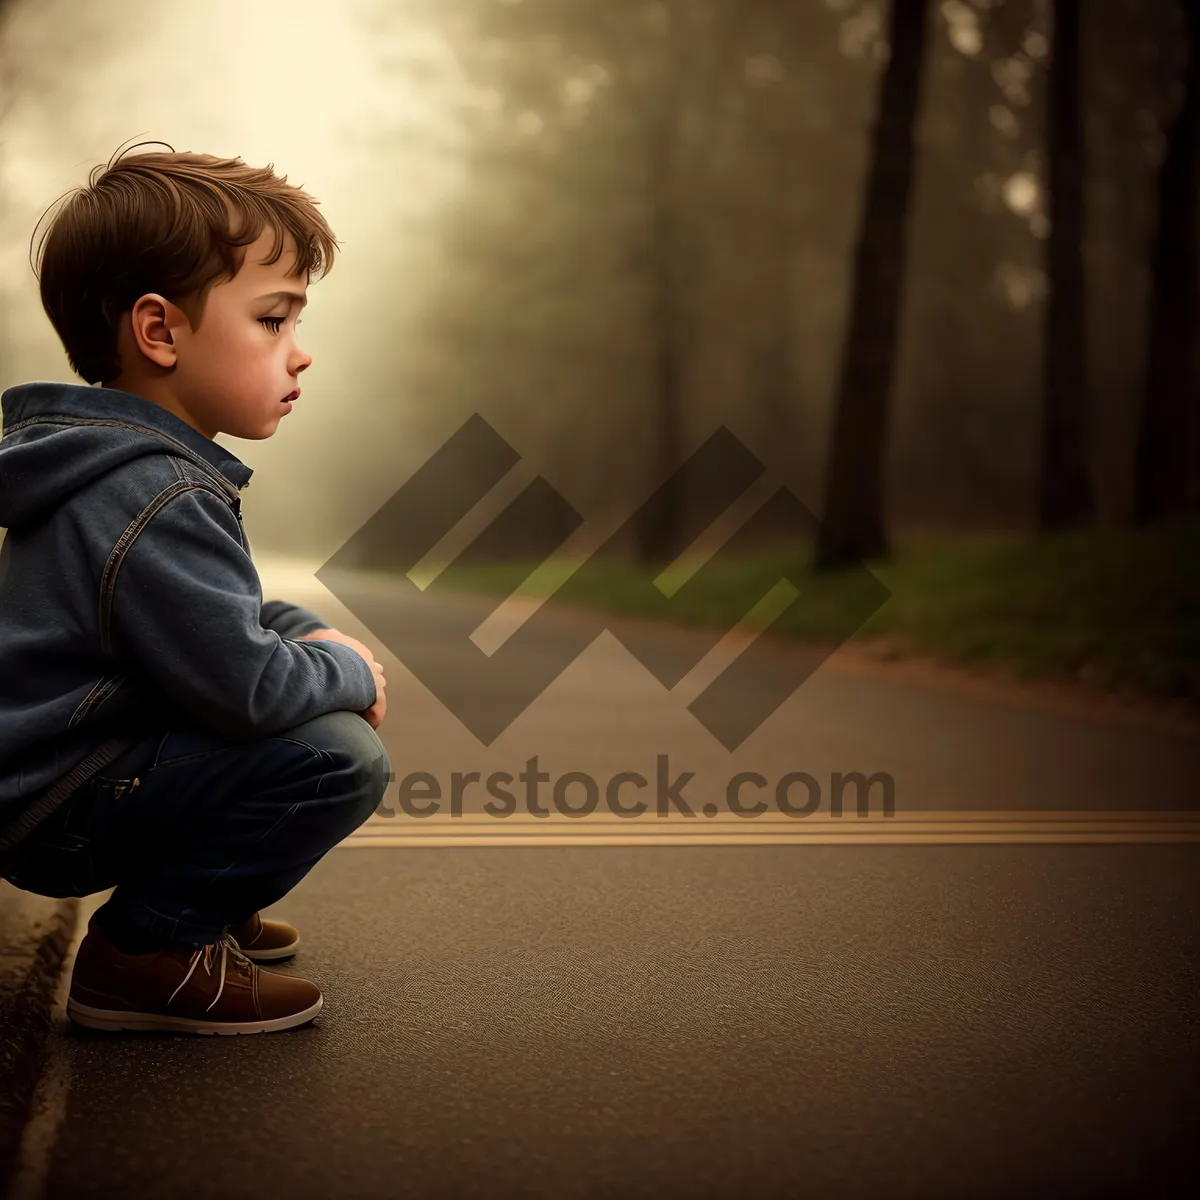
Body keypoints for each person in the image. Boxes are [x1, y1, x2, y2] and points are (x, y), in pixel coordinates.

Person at [0, 144, 390, 1035]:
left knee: (302, 703)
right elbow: (248, 689)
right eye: (273, 321)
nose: (301, 355)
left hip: (55, 780)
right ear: (160, 332)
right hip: (62, 803)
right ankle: (150, 946)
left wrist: (312, 637)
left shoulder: (121, 466)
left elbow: (221, 621)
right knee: (337, 754)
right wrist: (351, 674)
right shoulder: (155, 493)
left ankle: (206, 894)